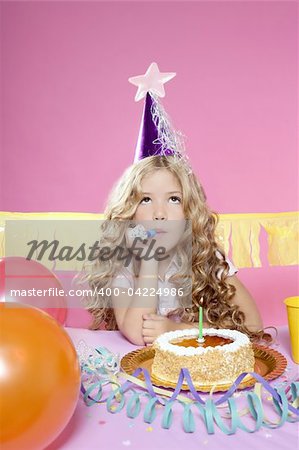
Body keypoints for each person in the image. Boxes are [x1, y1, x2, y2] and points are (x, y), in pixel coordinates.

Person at [82, 154, 268, 346]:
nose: (160, 214)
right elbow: (138, 334)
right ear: (128, 213)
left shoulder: (207, 257)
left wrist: (178, 331)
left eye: (173, 199)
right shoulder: (122, 264)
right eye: (145, 200)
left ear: (190, 210)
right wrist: (149, 261)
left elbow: (254, 326)